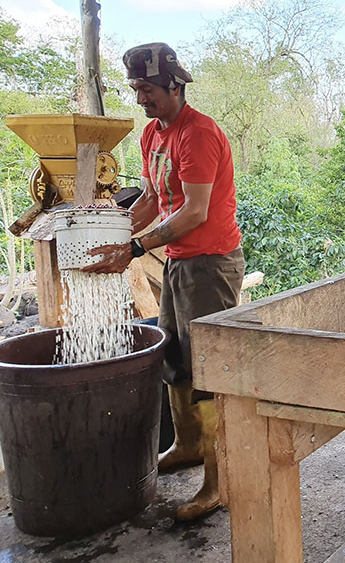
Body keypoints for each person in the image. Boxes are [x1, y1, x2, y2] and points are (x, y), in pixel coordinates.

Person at [83, 42, 244, 520]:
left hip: (211, 264)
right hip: (178, 261)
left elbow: (194, 211)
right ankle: (188, 447)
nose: (140, 99)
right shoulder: (153, 135)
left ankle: (219, 481)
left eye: (148, 89)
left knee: (210, 370)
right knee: (174, 356)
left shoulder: (199, 135)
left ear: (175, 85)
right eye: (135, 88)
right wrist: (110, 233)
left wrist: (132, 249)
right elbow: (153, 199)